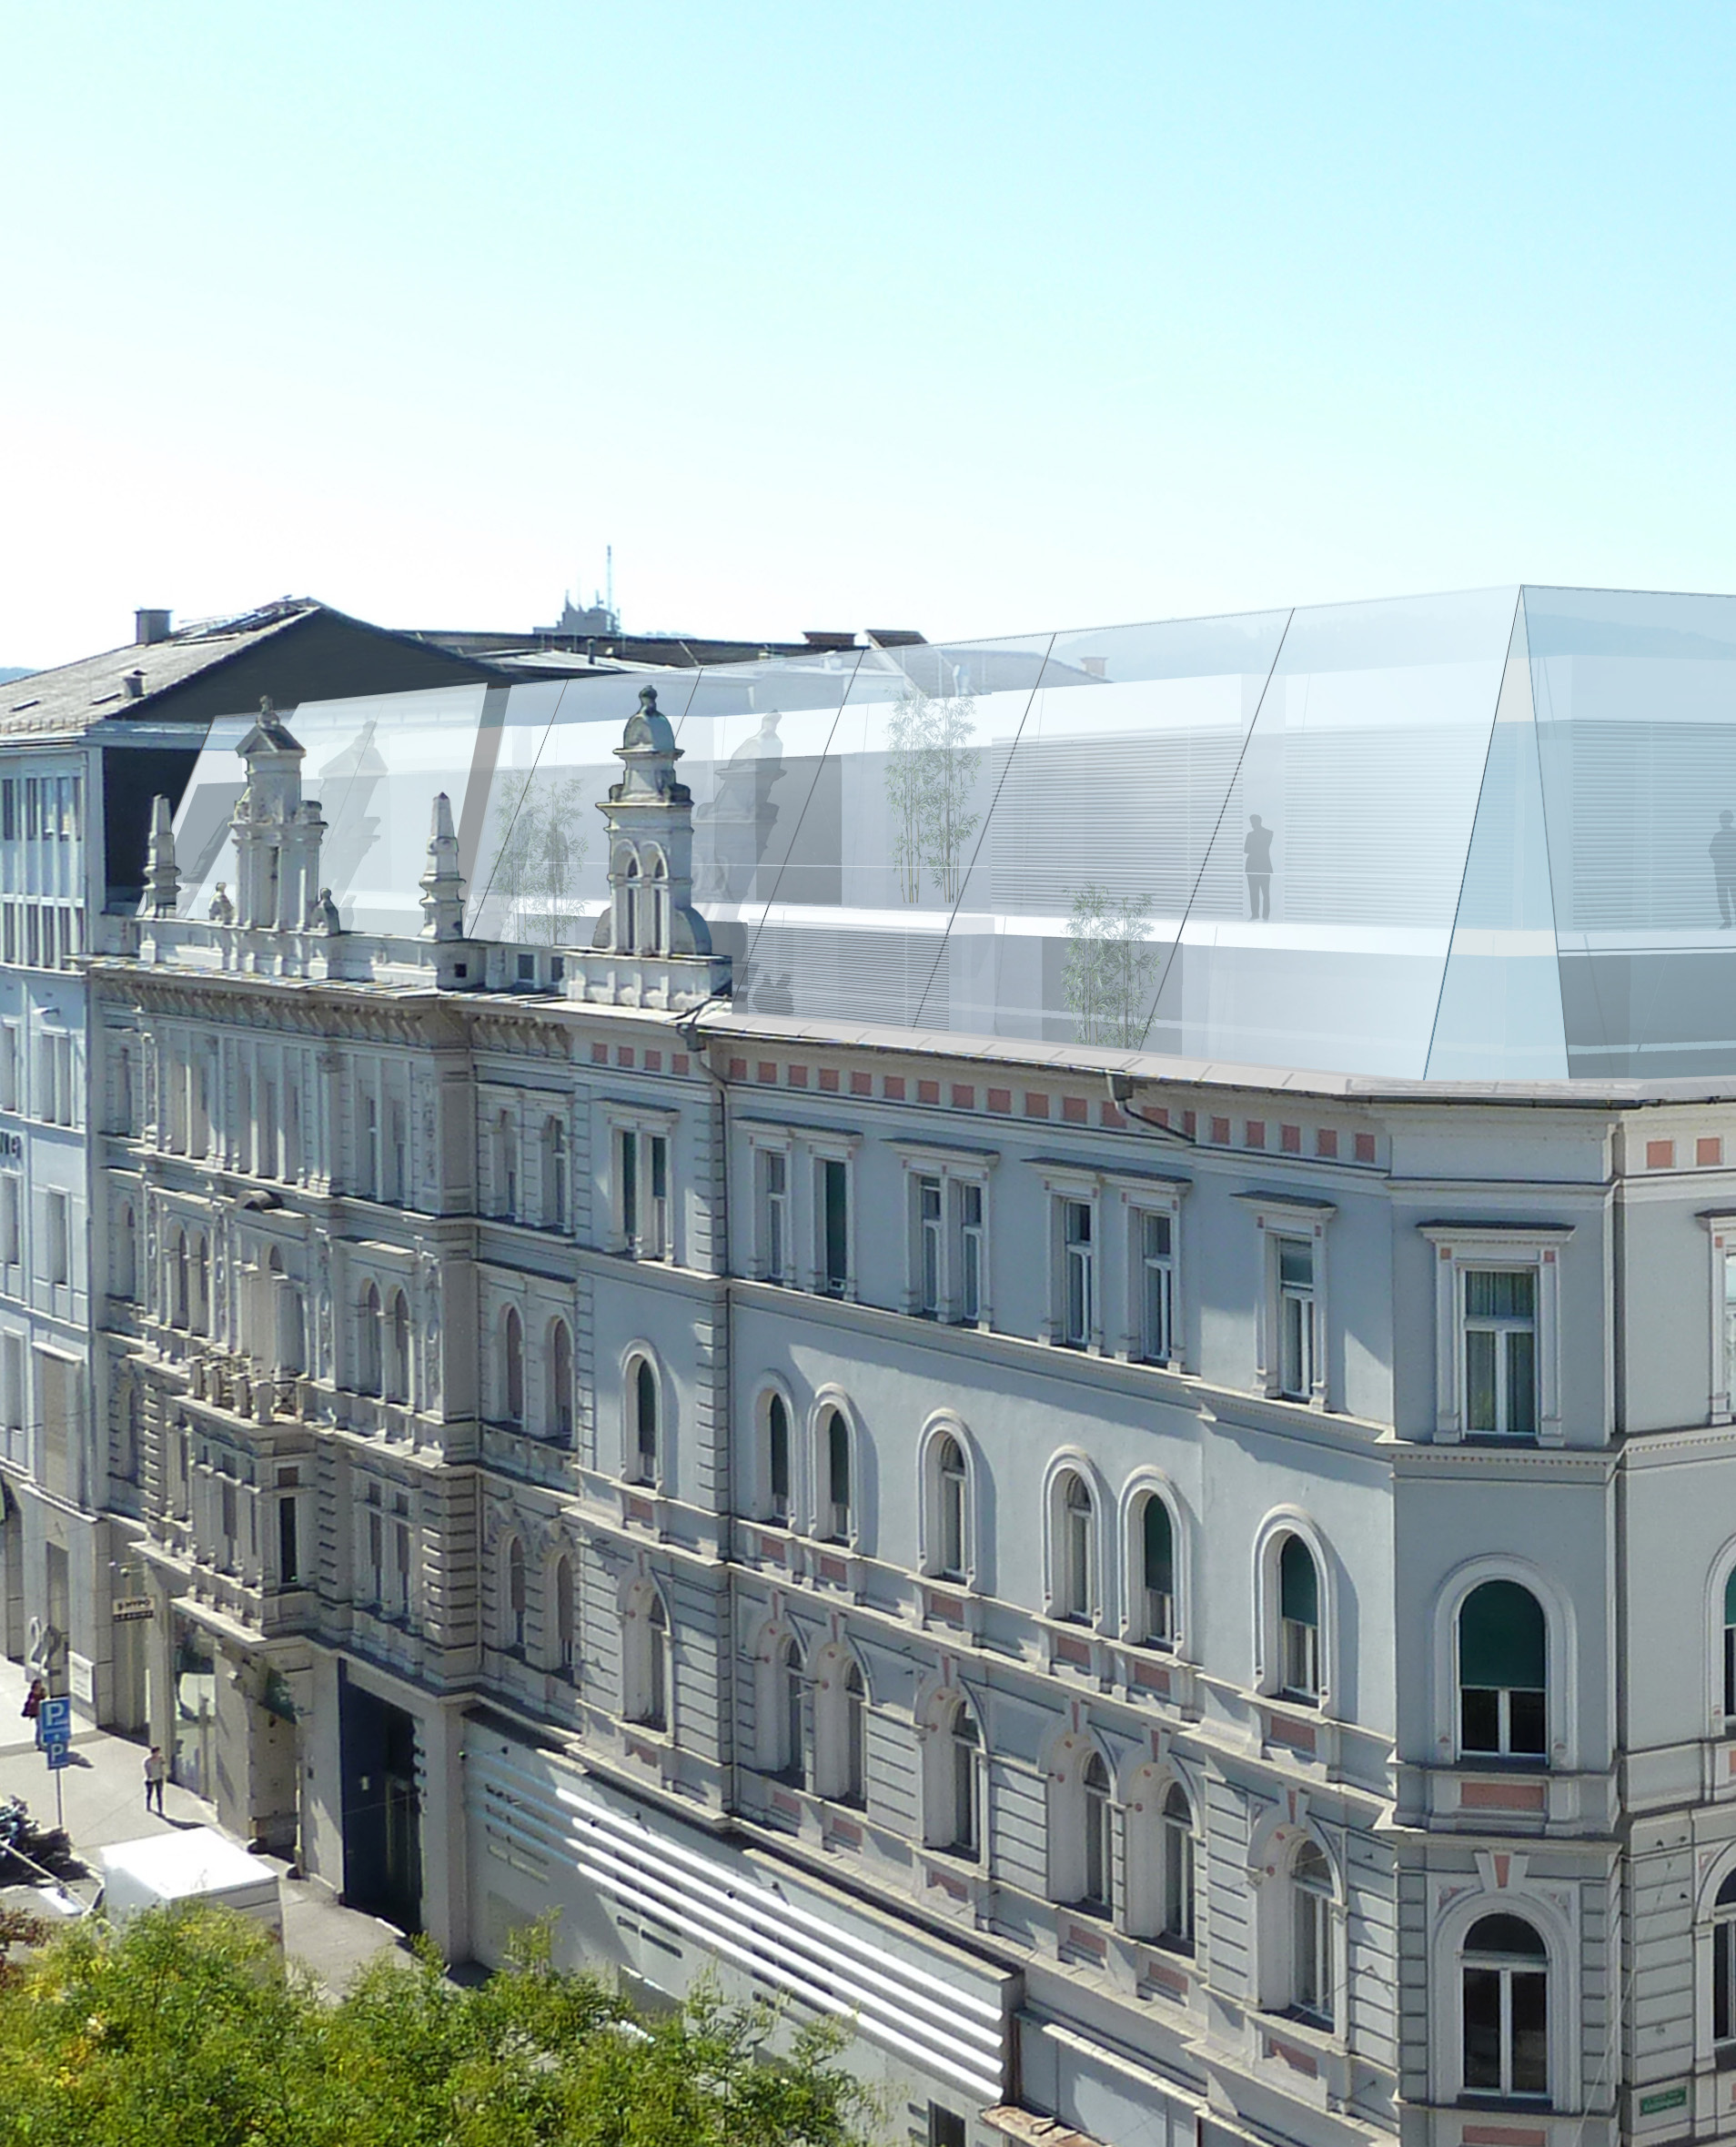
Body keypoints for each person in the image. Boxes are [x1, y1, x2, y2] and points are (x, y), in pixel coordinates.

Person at [1245, 814, 1276, 920]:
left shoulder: (1267, 833)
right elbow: (1246, 850)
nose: (1252, 825)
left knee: (1264, 893)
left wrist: (1254, 847)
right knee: (1255, 893)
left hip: (1260, 866)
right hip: (1255, 866)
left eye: (1252, 822)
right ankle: (1256, 915)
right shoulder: (1257, 834)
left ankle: (1263, 915)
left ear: (1257, 822)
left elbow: (1248, 849)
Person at [1711, 812, 1736, 928]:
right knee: (1726, 896)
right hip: (1726, 871)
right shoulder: (1720, 836)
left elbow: (1712, 852)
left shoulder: (1719, 836)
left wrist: (1721, 862)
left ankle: (1727, 921)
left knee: (1725, 896)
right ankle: (1727, 921)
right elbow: (1712, 852)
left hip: (1725, 871)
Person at [144, 1745, 167, 1816]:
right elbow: (146, 1769)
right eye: (157, 1752)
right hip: (151, 1779)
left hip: (159, 1778)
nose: (158, 1754)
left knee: (159, 1795)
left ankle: (160, 1810)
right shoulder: (148, 1761)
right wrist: (149, 1776)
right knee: (149, 1793)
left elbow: (163, 1766)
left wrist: (163, 1773)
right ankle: (148, 1805)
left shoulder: (160, 1759)